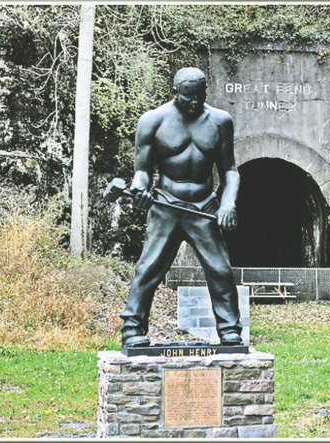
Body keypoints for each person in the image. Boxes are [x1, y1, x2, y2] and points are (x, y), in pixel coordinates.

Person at [120, 67, 242, 347]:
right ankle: (132, 328)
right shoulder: (152, 121)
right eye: (188, 96)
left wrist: (228, 202)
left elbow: (230, 170)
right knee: (149, 267)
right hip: (166, 204)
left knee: (220, 269)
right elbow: (142, 170)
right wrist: (140, 189)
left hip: (204, 206)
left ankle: (229, 329)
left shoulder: (220, 121)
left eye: (200, 95)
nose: (195, 102)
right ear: (175, 92)